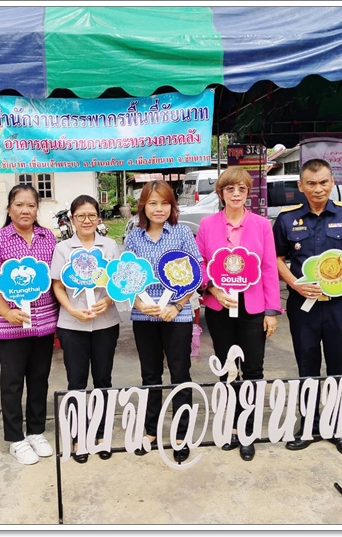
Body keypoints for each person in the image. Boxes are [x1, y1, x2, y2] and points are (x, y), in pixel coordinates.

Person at [273, 159, 342, 457]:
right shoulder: (286, 219)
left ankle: (339, 428)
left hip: (341, 307)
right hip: (303, 306)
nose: (318, 189)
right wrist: (294, 283)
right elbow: (277, 259)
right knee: (307, 367)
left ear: (332, 183)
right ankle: (309, 426)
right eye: (312, 183)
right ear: (301, 186)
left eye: (324, 182)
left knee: (339, 368)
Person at [196, 167, 281, 462]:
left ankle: (248, 430)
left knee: (253, 369)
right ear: (220, 194)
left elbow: (269, 267)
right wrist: (211, 290)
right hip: (221, 306)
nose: (235, 194)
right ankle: (230, 426)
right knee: (226, 368)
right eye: (230, 189)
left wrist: (271, 311)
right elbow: (202, 262)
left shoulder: (261, 225)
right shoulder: (208, 224)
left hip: (253, 305)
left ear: (248, 194)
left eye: (241, 189)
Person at [0, 185, 59, 465]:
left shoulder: (48, 237)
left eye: (31, 205)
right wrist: (6, 311)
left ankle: (36, 431)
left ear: (38, 209)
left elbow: (56, 278)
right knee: (12, 382)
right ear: (9, 208)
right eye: (19, 204)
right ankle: (15, 437)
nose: (25, 210)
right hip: (9, 325)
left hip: (44, 322)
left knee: (39, 378)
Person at [124, 181, 202, 463]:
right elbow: (126, 275)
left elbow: (196, 272)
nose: (159, 209)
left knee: (180, 373)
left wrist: (177, 305)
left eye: (165, 203)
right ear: (143, 205)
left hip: (176, 314)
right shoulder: (134, 236)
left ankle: (182, 434)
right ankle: (151, 431)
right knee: (150, 375)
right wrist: (138, 302)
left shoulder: (181, 233)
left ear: (172, 206)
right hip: (144, 314)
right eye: (153, 203)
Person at [50, 195, 121, 464]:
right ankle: (79, 436)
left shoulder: (110, 245)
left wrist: (107, 299)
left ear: (98, 217)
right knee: (76, 382)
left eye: (91, 215)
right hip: (72, 324)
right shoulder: (63, 249)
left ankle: (101, 435)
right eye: (80, 216)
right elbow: (57, 285)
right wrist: (71, 309)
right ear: (71, 219)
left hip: (105, 323)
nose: (86, 220)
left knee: (103, 380)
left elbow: (117, 282)